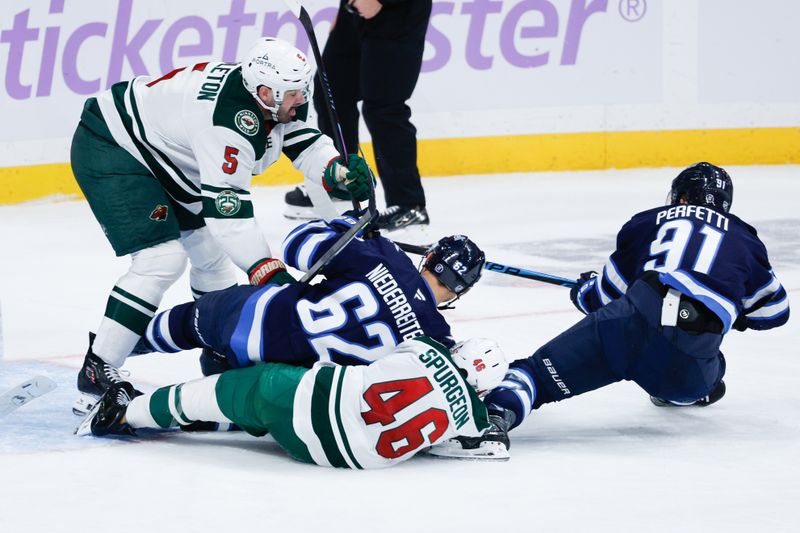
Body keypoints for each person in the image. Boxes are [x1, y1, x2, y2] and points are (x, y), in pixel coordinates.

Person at [71, 37, 375, 414]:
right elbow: (227, 215)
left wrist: (336, 171)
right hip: (116, 145)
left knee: (213, 262)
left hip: (169, 155)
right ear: (265, 92)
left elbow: (303, 142)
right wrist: (268, 272)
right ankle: (97, 371)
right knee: (161, 261)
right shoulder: (226, 124)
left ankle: (218, 355)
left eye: (303, 89)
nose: (302, 98)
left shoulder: (277, 98)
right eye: (294, 93)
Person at [430, 162, 790, 459]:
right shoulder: (746, 240)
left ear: (679, 196)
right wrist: (729, 303)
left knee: (535, 376)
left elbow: (599, 299)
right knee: (713, 372)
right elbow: (773, 313)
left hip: (628, 325)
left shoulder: (649, 221)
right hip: (690, 362)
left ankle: (492, 425)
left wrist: (588, 286)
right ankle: (684, 389)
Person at [132, 214, 486, 379]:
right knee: (231, 384)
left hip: (255, 317)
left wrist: (347, 226)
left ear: (429, 257)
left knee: (191, 322)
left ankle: (116, 350)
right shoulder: (436, 339)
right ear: (464, 289)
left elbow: (297, 243)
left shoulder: (384, 256)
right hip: (278, 378)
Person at [77, 336, 510, 468]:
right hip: (340, 459)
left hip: (308, 404)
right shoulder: (471, 420)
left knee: (241, 388)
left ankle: (123, 412)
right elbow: (488, 444)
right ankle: (228, 419)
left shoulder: (426, 348)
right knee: (264, 408)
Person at [284, 0, 432, 232]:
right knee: (329, 91)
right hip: (353, 13)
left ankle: (408, 205)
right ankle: (342, 181)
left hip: (397, 12)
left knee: (384, 107)